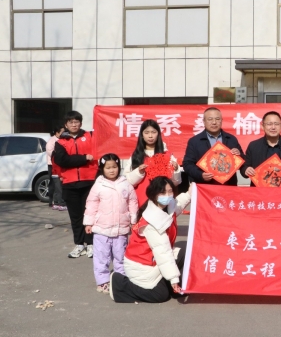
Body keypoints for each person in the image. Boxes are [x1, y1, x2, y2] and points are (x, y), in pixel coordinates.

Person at [110, 177, 191, 303]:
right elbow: (163, 253)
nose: (168, 195)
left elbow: (177, 205)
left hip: (154, 259)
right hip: (142, 265)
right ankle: (119, 284)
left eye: (170, 191)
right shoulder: (152, 221)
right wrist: (174, 279)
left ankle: (173, 286)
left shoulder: (167, 206)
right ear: (154, 194)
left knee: (188, 249)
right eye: (163, 192)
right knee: (160, 295)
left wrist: (190, 193)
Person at [83, 154, 138, 294]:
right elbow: (91, 204)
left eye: (114, 167)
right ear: (102, 169)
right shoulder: (98, 185)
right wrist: (88, 223)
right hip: (102, 229)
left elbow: (132, 202)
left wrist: (133, 219)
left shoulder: (125, 183)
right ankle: (103, 282)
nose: (112, 170)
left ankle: (120, 279)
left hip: (121, 228)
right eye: (108, 168)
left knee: (121, 256)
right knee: (101, 257)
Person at [54, 111, 98, 259]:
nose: (74, 125)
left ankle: (90, 244)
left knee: (90, 215)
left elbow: (100, 150)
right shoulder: (60, 142)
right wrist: (84, 158)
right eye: (71, 122)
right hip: (70, 183)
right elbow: (62, 160)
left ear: (81, 123)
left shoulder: (90, 137)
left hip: (89, 181)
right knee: (75, 217)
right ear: (66, 125)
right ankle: (79, 244)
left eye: (76, 122)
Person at [122, 119, 182, 204]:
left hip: (162, 201)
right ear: (142, 135)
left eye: (153, 132)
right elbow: (128, 181)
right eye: (146, 133)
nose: (150, 136)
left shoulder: (167, 155)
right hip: (141, 201)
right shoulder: (136, 156)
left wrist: (176, 170)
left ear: (158, 134)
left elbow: (176, 182)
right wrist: (139, 172)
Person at [183, 107, 244, 186]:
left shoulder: (231, 139)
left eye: (217, 119)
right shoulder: (195, 141)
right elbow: (187, 164)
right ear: (204, 121)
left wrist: (239, 155)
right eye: (210, 119)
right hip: (205, 187)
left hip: (228, 185)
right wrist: (200, 175)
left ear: (222, 120)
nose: (214, 122)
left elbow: (243, 161)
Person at [242, 111, 281, 185]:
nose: (273, 127)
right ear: (262, 126)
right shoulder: (253, 146)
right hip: (259, 190)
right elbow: (244, 166)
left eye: (276, 124)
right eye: (269, 124)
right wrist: (246, 170)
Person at [46, 125, 67, 211]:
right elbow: (52, 154)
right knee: (56, 185)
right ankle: (57, 202)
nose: (64, 133)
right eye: (62, 132)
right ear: (57, 133)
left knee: (57, 186)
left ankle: (56, 202)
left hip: (59, 165)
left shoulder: (62, 140)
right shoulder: (52, 141)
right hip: (54, 165)